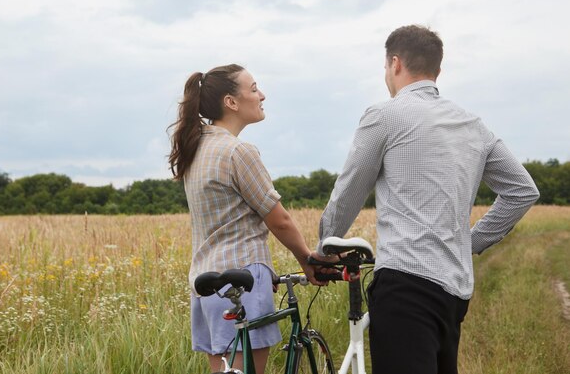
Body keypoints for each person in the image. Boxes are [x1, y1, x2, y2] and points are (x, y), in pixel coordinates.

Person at [312, 25, 540, 374]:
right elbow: (522, 190)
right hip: (455, 292)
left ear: (395, 63)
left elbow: (347, 195)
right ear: (438, 70)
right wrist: (469, 242)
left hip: (405, 284)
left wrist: (323, 249)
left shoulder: (384, 116)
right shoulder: (473, 125)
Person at [168, 64, 320, 374]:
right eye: (253, 89)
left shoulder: (196, 151)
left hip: (206, 283)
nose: (261, 95)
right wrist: (306, 258)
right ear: (231, 102)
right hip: (243, 278)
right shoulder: (238, 151)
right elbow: (279, 220)